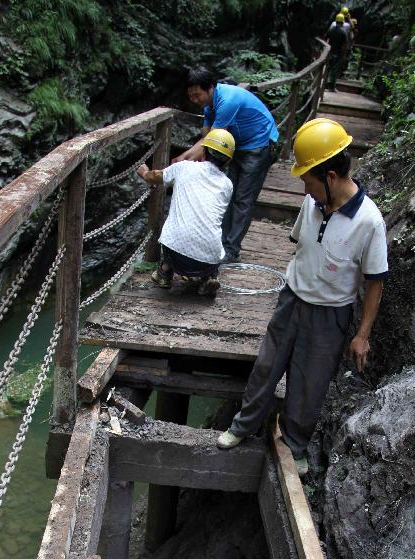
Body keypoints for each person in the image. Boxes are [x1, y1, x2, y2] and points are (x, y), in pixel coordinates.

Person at [216, 119, 388, 478]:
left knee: (310, 382)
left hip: (330, 316)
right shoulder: (312, 204)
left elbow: (375, 281)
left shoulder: (370, 222)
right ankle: (242, 426)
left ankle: (295, 443)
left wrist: (362, 334)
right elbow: (301, 246)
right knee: (267, 365)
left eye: (307, 180)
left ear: (329, 176)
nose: (304, 189)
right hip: (291, 299)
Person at [173, 66, 278, 264]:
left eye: (197, 95)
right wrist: (187, 157)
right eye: (191, 96)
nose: (194, 100)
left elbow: (208, 141)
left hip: (260, 144)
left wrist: (182, 162)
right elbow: (206, 137)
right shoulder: (209, 106)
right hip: (239, 146)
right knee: (229, 194)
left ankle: (231, 250)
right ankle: (222, 243)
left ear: (210, 88)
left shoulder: (227, 101)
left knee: (243, 199)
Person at [137, 129, 235, 299]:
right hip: (208, 261)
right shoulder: (227, 185)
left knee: (175, 230)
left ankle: (164, 273)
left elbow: (154, 177)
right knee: (210, 229)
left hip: (176, 254)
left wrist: (144, 172)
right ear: (227, 161)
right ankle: (209, 277)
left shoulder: (184, 167)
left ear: (203, 151)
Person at [327, 14, 348, 91]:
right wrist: (344, 55)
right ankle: (332, 87)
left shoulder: (331, 30)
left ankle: (324, 85)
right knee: (334, 70)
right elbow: (345, 44)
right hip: (338, 53)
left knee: (328, 69)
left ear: (336, 21)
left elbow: (327, 39)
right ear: (342, 22)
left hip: (330, 52)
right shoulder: (343, 31)